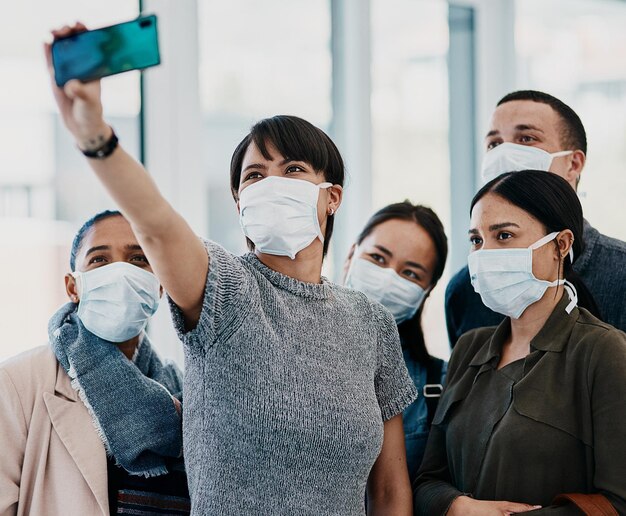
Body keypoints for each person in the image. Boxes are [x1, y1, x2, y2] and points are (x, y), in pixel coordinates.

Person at [45, 23, 418, 515]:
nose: (271, 183)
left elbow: (390, 492)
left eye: (294, 170)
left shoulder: (370, 322)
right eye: (254, 175)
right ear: (240, 202)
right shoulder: (224, 289)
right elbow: (154, 224)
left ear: (332, 198)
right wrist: (95, 136)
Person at [414, 170, 626, 515]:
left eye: (504, 235)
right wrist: (458, 506)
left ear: (561, 244)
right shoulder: (469, 348)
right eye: (477, 240)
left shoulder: (603, 352)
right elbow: (426, 481)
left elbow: (618, 503)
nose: (485, 254)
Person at [0, 210, 190, 516]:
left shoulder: (182, 390)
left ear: (160, 285)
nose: (120, 272)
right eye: (100, 260)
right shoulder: (18, 384)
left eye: (138, 259)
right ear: (74, 287)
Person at [445, 90, 626, 346]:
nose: (505, 155)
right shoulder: (466, 288)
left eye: (526, 138)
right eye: (494, 144)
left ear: (573, 164)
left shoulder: (620, 273)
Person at [343, 202, 448, 484]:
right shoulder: (291, 353)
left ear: (425, 292)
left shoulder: (440, 384)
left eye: (410, 273)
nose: (388, 278)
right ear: (351, 254)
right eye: (378, 258)